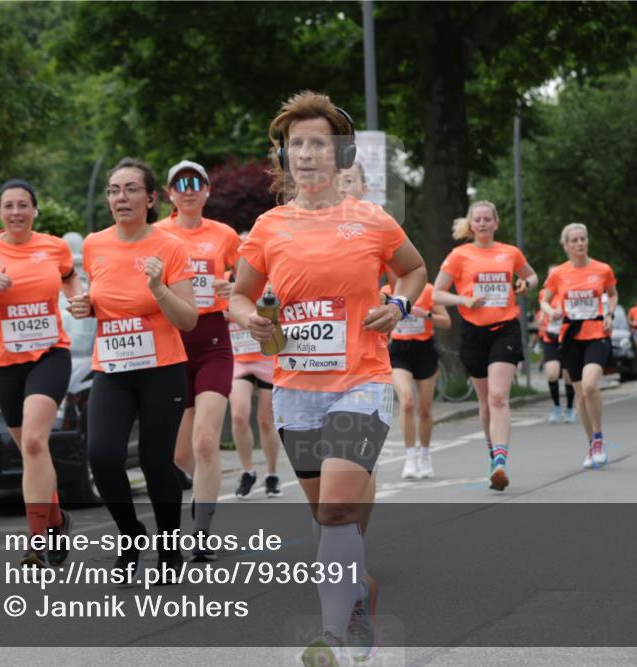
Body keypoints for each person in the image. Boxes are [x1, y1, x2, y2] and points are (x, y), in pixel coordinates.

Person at [230, 91, 426, 666]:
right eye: (297, 144)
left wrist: (399, 305)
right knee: (325, 515)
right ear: (284, 156)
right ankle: (358, 592)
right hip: (296, 391)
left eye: (318, 143)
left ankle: (333, 637)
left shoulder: (371, 220)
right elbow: (240, 296)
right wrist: (250, 319)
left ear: (340, 155)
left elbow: (414, 270)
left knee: (338, 508)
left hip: (361, 381)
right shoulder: (268, 226)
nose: (307, 154)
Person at [70, 157, 198, 578]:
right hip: (112, 369)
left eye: (130, 189)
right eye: (113, 190)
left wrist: (158, 288)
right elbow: (104, 300)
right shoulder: (95, 244)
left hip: (162, 368)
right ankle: (131, 535)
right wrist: (86, 307)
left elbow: (188, 319)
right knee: (102, 457)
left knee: (155, 461)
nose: (120, 197)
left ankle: (169, 551)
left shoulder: (170, 246)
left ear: (150, 198)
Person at [0, 179, 81, 567]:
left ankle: (36, 542)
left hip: (50, 355)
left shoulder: (54, 247)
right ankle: (57, 520)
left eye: (23, 205)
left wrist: (78, 299)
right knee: (33, 451)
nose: (16, 212)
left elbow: (69, 277)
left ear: (34, 210)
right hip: (6, 364)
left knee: (33, 441)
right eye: (9, 206)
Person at [156, 160, 241, 561]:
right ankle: (198, 491)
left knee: (206, 441)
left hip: (213, 341)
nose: (188, 190)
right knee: (178, 454)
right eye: (180, 184)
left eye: (195, 183)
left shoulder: (224, 235)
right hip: (171, 344)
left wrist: (234, 287)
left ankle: (202, 530)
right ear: (169, 194)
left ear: (207, 190)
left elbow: (254, 276)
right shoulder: (157, 235)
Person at [433, 201, 539, 492]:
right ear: (471, 224)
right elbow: (437, 293)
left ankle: (501, 462)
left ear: (495, 223)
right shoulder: (459, 255)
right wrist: (463, 300)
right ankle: (493, 455)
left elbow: (531, 275)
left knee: (498, 397)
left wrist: (526, 285)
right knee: (485, 402)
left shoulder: (510, 252)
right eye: (477, 219)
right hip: (473, 333)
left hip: (505, 329)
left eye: (486, 219)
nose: (482, 223)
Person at [540, 223, 618, 470]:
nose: (579, 243)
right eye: (574, 240)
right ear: (566, 246)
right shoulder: (558, 273)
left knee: (590, 385)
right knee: (581, 395)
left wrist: (610, 314)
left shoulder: (602, 269)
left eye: (582, 239)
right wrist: (551, 311)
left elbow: (612, 294)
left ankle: (599, 438)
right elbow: (544, 300)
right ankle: (591, 443)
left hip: (596, 333)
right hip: (570, 337)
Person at [227, 235, 283, 499]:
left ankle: (272, 473)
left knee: (266, 420)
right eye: (241, 253)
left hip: (266, 358)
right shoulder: (224, 282)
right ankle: (248, 470)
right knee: (239, 415)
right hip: (238, 359)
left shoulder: (269, 284)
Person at [382, 274, 451, 479]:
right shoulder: (385, 292)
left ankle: (425, 455)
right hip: (399, 351)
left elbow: (446, 322)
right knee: (407, 402)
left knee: (425, 409)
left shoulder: (427, 290)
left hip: (424, 350)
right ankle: (410, 457)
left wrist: (425, 314)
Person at [539, 267, 577, 424]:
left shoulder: (569, 291)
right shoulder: (544, 293)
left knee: (568, 376)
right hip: (551, 338)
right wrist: (544, 317)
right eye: (550, 276)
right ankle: (556, 406)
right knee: (552, 373)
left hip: (567, 338)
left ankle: (570, 408)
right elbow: (542, 309)